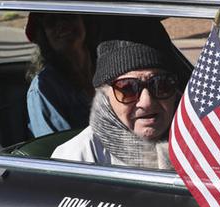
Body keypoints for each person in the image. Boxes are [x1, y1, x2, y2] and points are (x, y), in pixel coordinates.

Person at [52, 17, 185, 169]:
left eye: (161, 84)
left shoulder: (201, 144)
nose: (147, 102)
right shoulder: (77, 158)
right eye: (128, 88)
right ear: (105, 95)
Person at [25, 13, 95, 137]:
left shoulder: (108, 65)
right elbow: (58, 149)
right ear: (43, 34)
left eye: (69, 16)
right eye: (51, 21)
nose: (62, 25)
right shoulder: (43, 88)